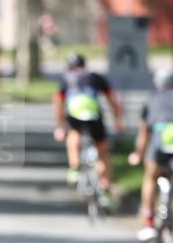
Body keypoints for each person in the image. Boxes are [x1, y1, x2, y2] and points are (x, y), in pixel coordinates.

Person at [128, 69, 173, 242]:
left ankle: (149, 222)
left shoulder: (152, 99)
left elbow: (144, 133)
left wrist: (138, 154)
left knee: (151, 177)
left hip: (162, 136)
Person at [53, 53, 124, 197]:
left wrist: (60, 126)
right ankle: (105, 187)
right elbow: (112, 100)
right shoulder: (96, 77)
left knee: (74, 134)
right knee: (103, 152)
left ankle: (74, 168)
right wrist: (118, 121)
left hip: (75, 113)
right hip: (94, 114)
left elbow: (58, 104)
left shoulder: (65, 77)